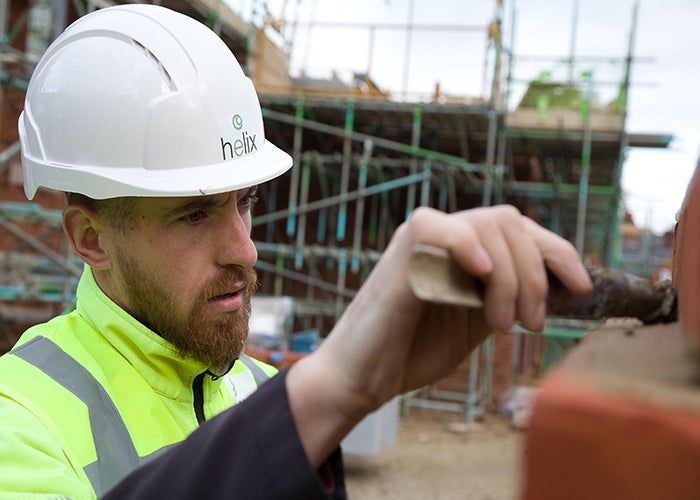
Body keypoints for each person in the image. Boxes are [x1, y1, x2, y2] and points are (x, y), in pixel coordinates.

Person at [0, 4, 593, 499]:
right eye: (194, 213)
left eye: (245, 202)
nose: (245, 250)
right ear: (90, 238)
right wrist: (324, 395)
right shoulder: (22, 419)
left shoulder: (259, 391)